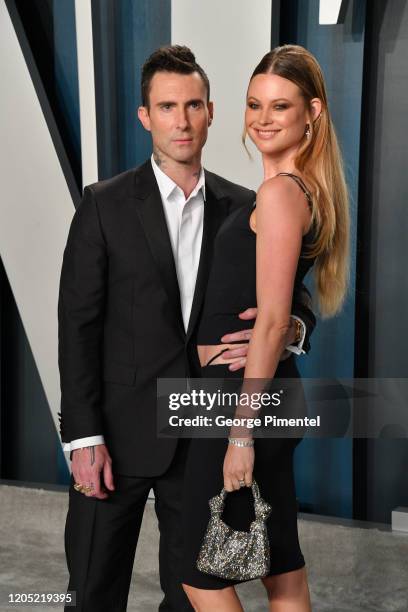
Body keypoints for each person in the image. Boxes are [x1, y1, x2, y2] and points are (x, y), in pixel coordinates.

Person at [58, 45, 315, 611]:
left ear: (211, 111)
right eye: (167, 106)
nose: (182, 120)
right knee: (92, 591)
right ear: (145, 116)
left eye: (193, 104)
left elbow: (292, 299)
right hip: (118, 436)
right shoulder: (103, 205)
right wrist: (83, 437)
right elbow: (76, 324)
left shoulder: (247, 204)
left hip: (206, 432)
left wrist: (291, 327)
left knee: (191, 596)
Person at [181, 44, 350, 611]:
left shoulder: (281, 193)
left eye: (281, 106)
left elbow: (274, 318)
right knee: (282, 568)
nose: (263, 119)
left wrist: (239, 436)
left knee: (200, 573)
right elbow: (282, 312)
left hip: (237, 404)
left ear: (313, 113)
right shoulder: (298, 192)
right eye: (255, 105)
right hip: (258, 394)